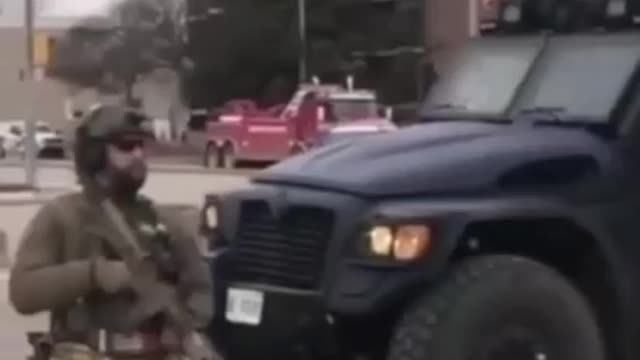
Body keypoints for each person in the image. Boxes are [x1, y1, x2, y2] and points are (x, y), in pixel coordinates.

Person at [9, 104, 220, 360]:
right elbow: (22, 293)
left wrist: (187, 330)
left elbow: (200, 290)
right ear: (96, 155)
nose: (138, 154)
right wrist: (93, 274)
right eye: (126, 147)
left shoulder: (162, 221)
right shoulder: (63, 216)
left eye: (141, 146)